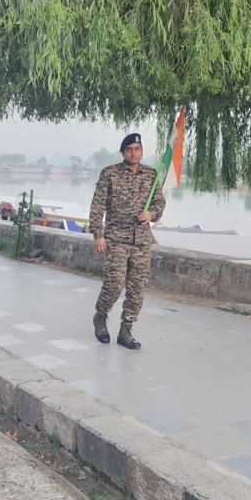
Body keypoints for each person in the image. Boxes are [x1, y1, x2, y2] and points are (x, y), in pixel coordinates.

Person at [88, 133, 165, 350]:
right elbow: (98, 205)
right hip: (116, 239)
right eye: (129, 149)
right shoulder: (110, 174)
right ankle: (101, 315)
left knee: (137, 288)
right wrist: (98, 234)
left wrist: (151, 214)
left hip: (141, 241)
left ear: (141, 151)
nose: (133, 153)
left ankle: (126, 330)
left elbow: (160, 203)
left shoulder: (150, 175)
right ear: (123, 152)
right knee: (114, 284)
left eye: (137, 149)